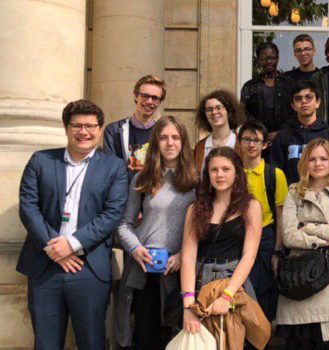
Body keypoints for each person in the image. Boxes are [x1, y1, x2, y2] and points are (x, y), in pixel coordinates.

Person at [17, 100, 129, 349]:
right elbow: (28, 207)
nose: (83, 132)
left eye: (90, 126)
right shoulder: (41, 161)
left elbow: (112, 213)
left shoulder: (114, 167)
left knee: (91, 342)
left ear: (100, 129)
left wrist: (71, 244)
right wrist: (54, 249)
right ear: (66, 128)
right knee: (45, 344)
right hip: (45, 267)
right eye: (77, 125)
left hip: (89, 267)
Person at [114, 116, 199, 349]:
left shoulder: (197, 181)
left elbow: (203, 228)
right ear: (155, 143)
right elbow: (124, 224)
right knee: (146, 336)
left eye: (175, 137)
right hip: (146, 271)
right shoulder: (142, 178)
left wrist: (184, 254)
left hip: (181, 271)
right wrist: (135, 248)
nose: (170, 143)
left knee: (176, 339)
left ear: (183, 142)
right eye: (163, 138)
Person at [275, 138, 329, 349]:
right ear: (304, 163)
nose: (318, 163)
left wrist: (310, 228)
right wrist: (327, 238)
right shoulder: (294, 193)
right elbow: (289, 236)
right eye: (312, 159)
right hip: (303, 280)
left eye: (323, 158)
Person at [180, 147, 263, 335]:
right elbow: (187, 259)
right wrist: (188, 306)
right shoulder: (195, 209)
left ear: (237, 173)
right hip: (200, 282)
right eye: (214, 170)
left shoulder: (250, 207)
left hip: (233, 281)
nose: (220, 175)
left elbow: (249, 256)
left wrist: (227, 296)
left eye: (226, 169)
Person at [238, 119, 289, 321]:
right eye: (247, 139)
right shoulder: (232, 173)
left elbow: (281, 216)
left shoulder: (274, 174)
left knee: (263, 295)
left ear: (265, 144)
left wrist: (277, 251)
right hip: (238, 237)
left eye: (256, 140)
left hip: (265, 239)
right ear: (239, 143)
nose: (251, 144)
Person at [269, 80, 329, 183]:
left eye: (308, 97)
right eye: (298, 98)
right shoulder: (283, 137)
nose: (304, 101)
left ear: (318, 102)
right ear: (293, 105)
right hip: (291, 196)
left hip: (323, 196)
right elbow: (275, 174)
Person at [103, 74, 166, 176]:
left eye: (155, 98)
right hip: (124, 190)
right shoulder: (114, 131)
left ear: (160, 102)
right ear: (136, 96)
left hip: (155, 190)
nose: (149, 101)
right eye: (145, 96)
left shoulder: (165, 133)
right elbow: (109, 170)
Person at [241, 41, 294, 140]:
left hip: (285, 139)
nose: (269, 61)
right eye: (264, 58)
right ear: (258, 60)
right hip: (256, 138)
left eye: (272, 58)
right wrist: (259, 132)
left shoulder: (289, 84)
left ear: (277, 59)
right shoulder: (249, 86)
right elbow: (243, 113)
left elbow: (296, 112)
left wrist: (281, 133)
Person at [194, 89, 246, 174]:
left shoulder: (242, 144)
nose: (214, 112)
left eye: (218, 108)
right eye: (209, 109)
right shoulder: (200, 147)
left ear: (228, 111)